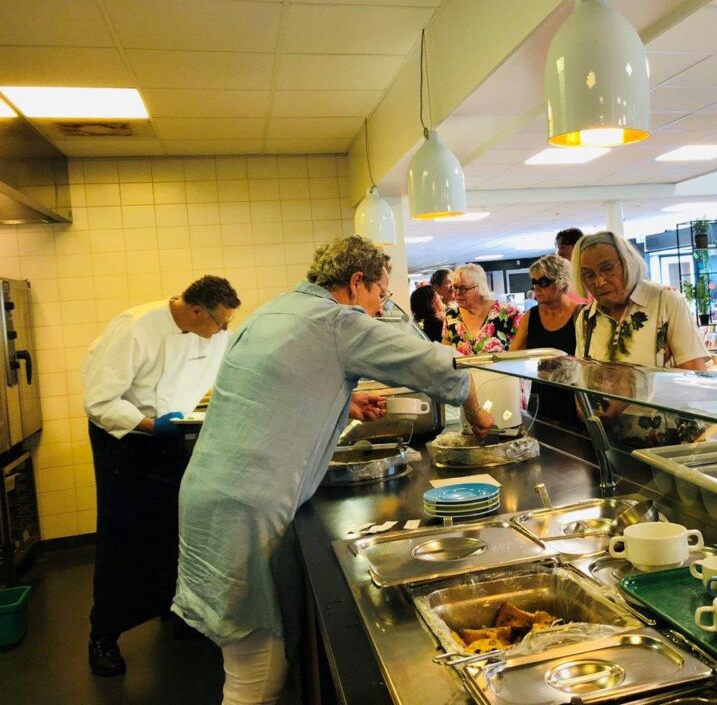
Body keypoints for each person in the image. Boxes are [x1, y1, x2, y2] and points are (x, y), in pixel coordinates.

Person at [173, 236, 493, 705]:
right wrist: (476, 412)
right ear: (356, 282)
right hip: (247, 509)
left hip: (206, 493)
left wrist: (345, 397)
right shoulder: (337, 320)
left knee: (246, 658)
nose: (380, 306)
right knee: (256, 676)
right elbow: (436, 364)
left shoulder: (274, 310)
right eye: (380, 293)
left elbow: (278, 387)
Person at [82, 275, 241, 677]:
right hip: (125, 441)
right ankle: (103, 636)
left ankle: (179, 612)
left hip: (170, 436)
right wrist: (151, 425)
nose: (223, 331)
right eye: (220, 323)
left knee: (177, 527)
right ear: (196, 311)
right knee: (124, 537)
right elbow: (99, 401)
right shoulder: (135, 328)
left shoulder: (211, 331)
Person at [572, 231, 709, 448]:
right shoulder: (586, 318)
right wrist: (585, 407)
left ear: (627, 262)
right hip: (610, 446)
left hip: (670, 446)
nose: (599, 281)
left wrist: (633, 393)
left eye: (607, 268)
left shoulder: (665, 302)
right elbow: (583, 377)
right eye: (588, 275)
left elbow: (695, 379)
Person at [509, 254, 583, 427]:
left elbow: (589, 361)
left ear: (562, 282)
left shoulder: (580, 314)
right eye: (534, 282)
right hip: (540, 394)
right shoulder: (531, 316)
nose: (537, 288)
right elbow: (512, 355)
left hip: (574, 396)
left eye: (543, 282)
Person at [442, 263, 522, 355]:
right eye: (455, 287)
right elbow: (445, 355)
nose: (457, 293)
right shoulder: (451, 316)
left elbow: (526, 345)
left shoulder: (507, 312)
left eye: (463, 288)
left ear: (480, 287)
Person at [555, 228, 588, 304]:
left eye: (563, 247)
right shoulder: (561, 273)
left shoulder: (587, 270)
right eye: (558, 248)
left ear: (576, 247)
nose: (559, 252)